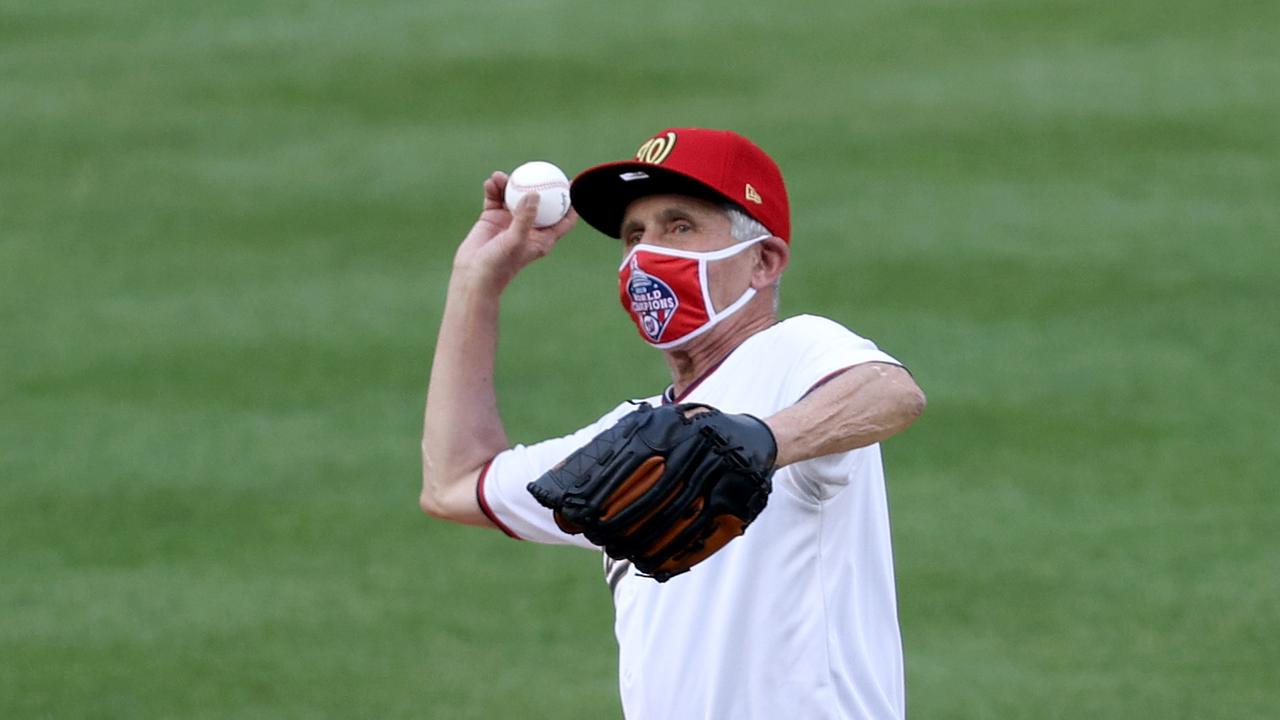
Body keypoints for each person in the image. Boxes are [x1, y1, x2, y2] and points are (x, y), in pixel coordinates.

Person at [420, 127, 926, 720]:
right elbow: (453, 484)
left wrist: (763, 442)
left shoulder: (794, 354)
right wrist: (475, 285)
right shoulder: (633, 440)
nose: (646, 254)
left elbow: (891, 392)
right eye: (635, 235)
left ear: (763, 261)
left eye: (678, 226)